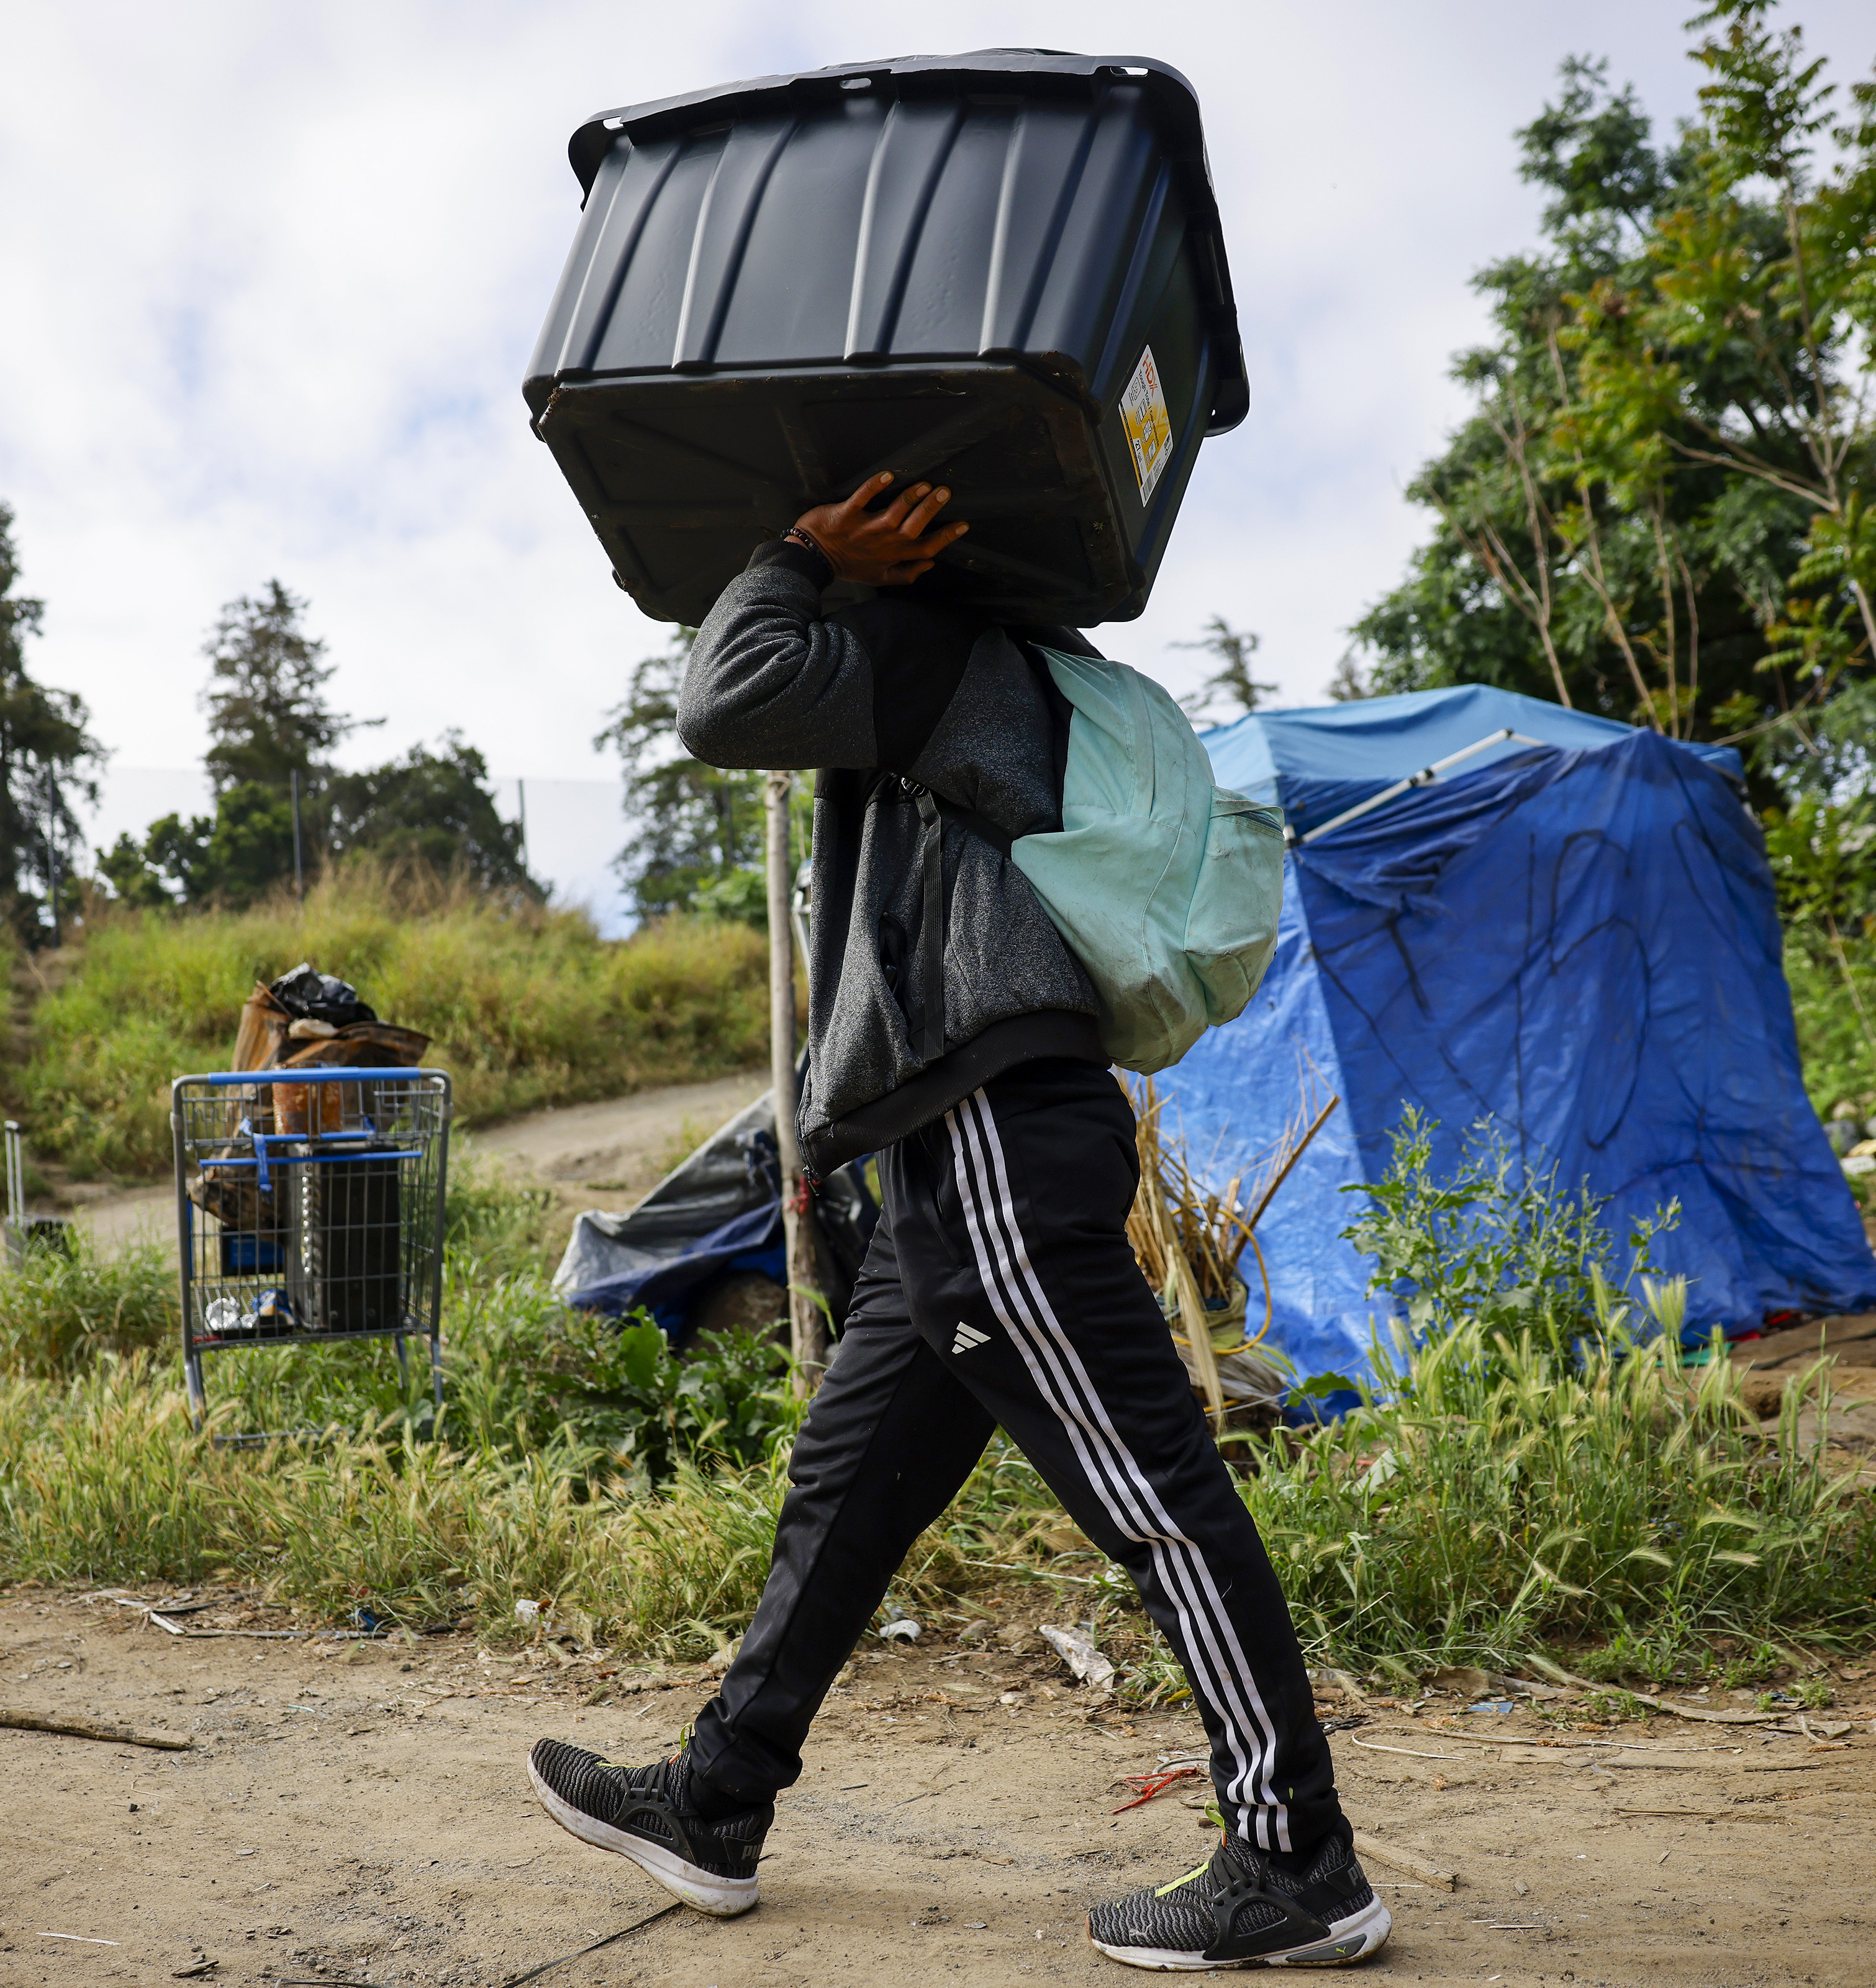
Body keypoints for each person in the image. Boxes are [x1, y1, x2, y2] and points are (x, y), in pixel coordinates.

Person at [526, 474, 1387, 1971]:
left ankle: (1295, 1851)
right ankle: (715, 1801)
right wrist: (832, 1132)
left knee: (1150, 1482)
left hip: (990, 1131)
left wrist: (796, 547)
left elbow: (724, 699)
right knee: (844, 1483)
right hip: (936, 1148)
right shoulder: (954, 685)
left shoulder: (954, 659)